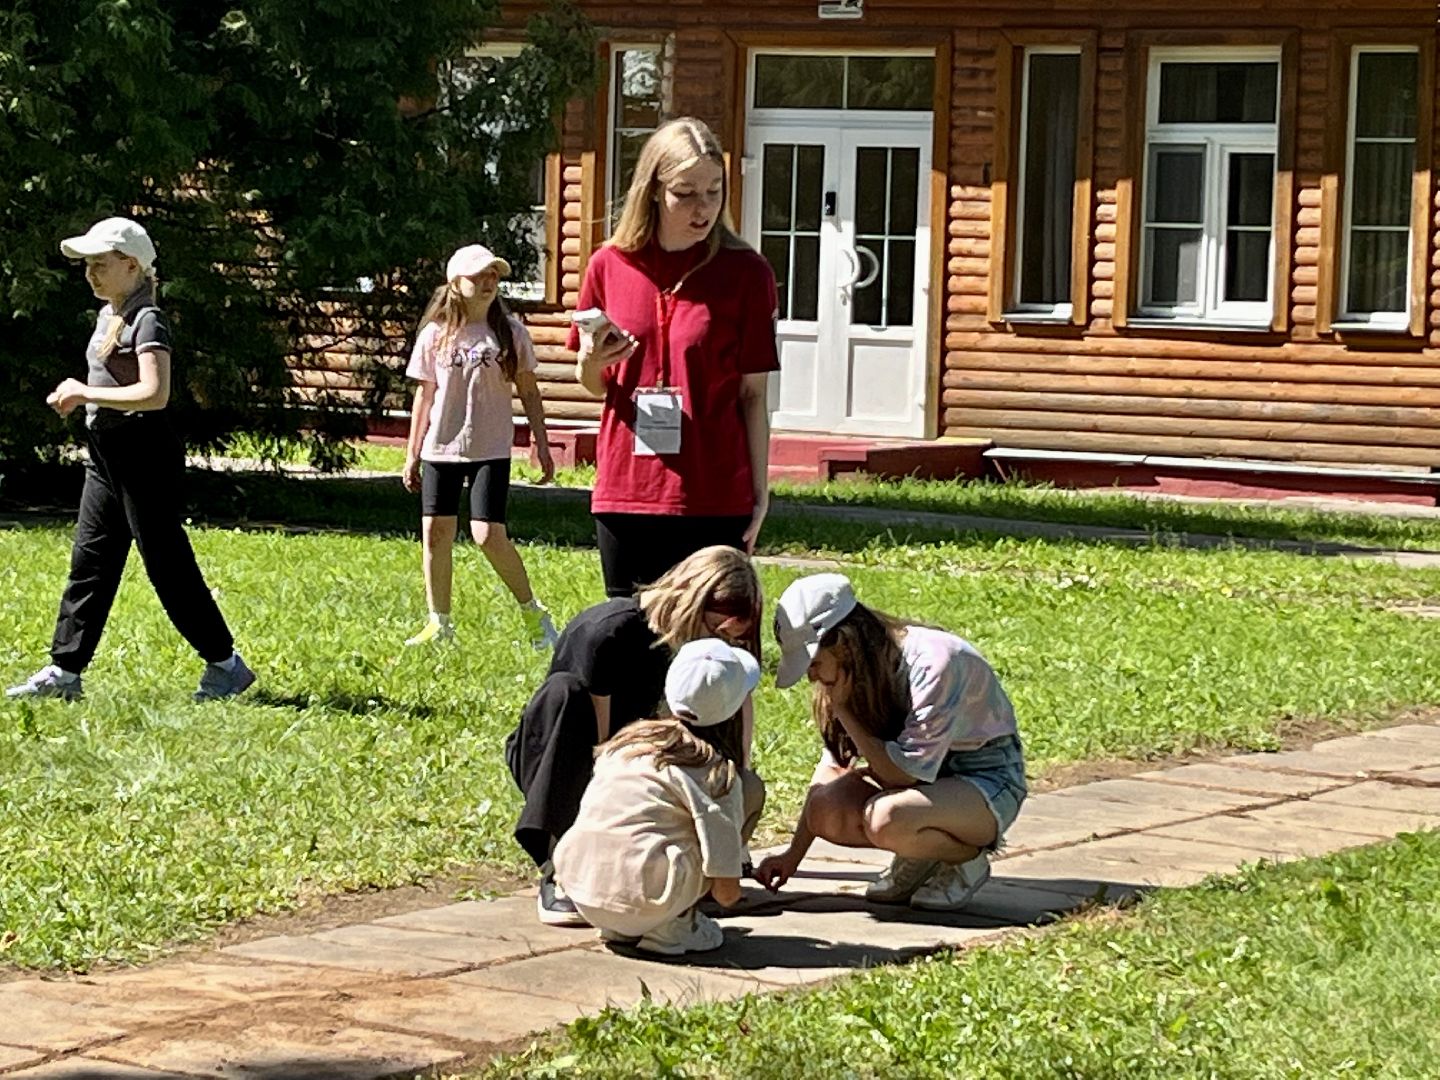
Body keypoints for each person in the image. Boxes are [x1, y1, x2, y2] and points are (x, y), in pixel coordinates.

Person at [6, 217, 255, 703]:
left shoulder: (148, 319)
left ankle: (225, 665)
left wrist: (84, 391)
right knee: (91, 559)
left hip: (144, 452)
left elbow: (154, 393)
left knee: (165, 562)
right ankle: (65, 672)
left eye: (101, 264)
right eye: (88, 265)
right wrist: (82, 397)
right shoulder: (109, 315)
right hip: (107, 450)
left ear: (132, 265)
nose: (91, 273)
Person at [568, 116, 779, 599]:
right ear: (653, 191)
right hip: (628, 491)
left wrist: (760, 493)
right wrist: (593, 362)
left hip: (714, 492)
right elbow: (595, 385)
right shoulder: (609, 265)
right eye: (685, 193)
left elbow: (753, 396)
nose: (702, 208)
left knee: (708, 650)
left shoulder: (747, 273)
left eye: (714, 191)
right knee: (629, 638)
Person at [504, 545, 764, 925]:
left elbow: (733, 708)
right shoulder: (610, 633)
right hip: (574, 757)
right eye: (716, 630)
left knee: (744, 778)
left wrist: (736, 781)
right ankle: (557, 865)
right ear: (691, 600)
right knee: (564, 694)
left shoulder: (696, 653)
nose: (719, 644)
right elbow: (599, 745)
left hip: (638, 760)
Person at [754, 573, 1027, 911]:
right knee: (825, 809)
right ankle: (921, 852)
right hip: (923, 782)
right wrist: (792, 855)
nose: (811, 676)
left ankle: (964, 861)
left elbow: (904, 777)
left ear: (844, 643)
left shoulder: (934, 663)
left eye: (814, 663)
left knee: (887, 818)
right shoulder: (850, 676)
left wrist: (845, 711)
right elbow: (832, 770)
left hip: (984, 779)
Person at [553, 637, 758, 956]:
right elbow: (726, 891)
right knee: (716, 826)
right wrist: (728, 885)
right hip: (652, 897)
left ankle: (622, 924)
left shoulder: (626, 744)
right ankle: (674, 926)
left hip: (583, 892)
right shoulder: (715, 773)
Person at [400, 244, 558, 649]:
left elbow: (529, 390)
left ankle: (534, 615)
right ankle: (439, 623)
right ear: (456, 283)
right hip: (442, 448)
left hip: (490, 448)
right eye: (478, 276)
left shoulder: (509, 332)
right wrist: (413, 451)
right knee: (436, 532)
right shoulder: (435, 335)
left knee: (488, 534)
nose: (488, 283)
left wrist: (541, 443)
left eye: (493, 276)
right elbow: (425, 396)